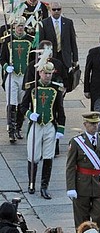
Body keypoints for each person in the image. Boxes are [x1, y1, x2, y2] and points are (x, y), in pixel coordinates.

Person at [21, 62, 65, 199]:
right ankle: (31, 183)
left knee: (48, 155)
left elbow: (60, 110)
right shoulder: (32, 87)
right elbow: (23, 107)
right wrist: (29, 114)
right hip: (36, 126)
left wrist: (61, 129)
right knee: (33, 156)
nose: (47, 76)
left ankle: (44, 186)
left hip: (50, 125)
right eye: (45, 73)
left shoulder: (56, 89)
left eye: (50, 73)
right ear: (40, 73)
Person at [66, 111, 100, 230]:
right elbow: (70, 166)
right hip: (82, 184)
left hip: (99, 183)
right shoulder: (76, 142)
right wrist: (71, 188)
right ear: (85, 124)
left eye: (96, 123)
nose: (95, 126)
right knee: (81, 218)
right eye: (92, 124)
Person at [0, 16, 33, 143]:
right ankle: (11, 130)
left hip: (24, 76)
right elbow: (1, 58)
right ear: (13, 26)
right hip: (12, 76)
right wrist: (6, 66)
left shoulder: (30, 40)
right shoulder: (8, 40)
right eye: (18, 26)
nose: (20, 28)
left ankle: (18, 127)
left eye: (22, 26)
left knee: (21, 103)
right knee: (12, 102)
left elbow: (32, 59)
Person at [40, 2, 79, 90]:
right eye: (54, 9)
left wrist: (75, 58)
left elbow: (73, 41)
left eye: (59, 9)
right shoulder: (44, 23)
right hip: (51, 56)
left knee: (65, 80)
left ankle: (62, 96)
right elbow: (41, 43)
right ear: (50, 10)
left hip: (64, 56)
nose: (56, 11)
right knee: (52, 77)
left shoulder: (68, 22)